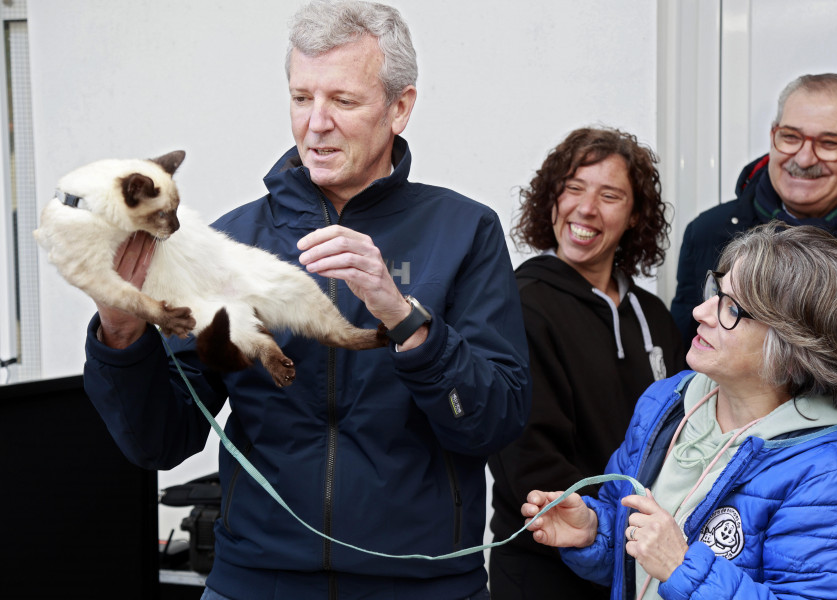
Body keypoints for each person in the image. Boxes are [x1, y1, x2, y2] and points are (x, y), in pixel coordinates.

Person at [81, 2, 531, 599]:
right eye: (301, 98)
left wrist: (405, 319)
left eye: (343, 101)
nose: (316, 124)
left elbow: (493, 424)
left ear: (400, 107)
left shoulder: (464, 231)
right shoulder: (232, 241)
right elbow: (162, 439)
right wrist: (120, 330)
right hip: (256, 581)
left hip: (423, 584)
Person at [523, 222, 837, 599]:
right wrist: (595, 530)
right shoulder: (667, 402)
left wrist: (681, 567)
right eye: (715, 291)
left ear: (794, 349)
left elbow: (671, 562)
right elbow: (637, 557)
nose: (701, 311)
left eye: (732, 308)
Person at [670, 73, 837, 511]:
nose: (804, 157)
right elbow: (691, 355)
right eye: (790, 137)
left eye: (829, 143)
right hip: (727, 502)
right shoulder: (710, 232)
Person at [487, 127, 685, 599]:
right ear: (550, 200)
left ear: (636, 215)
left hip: (643, 561)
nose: (586, 208)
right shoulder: (519, 305)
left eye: (610, 195)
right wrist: (600, 531)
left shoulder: (653, 316)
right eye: (573, 188)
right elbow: (528, 459)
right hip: (549, 564)